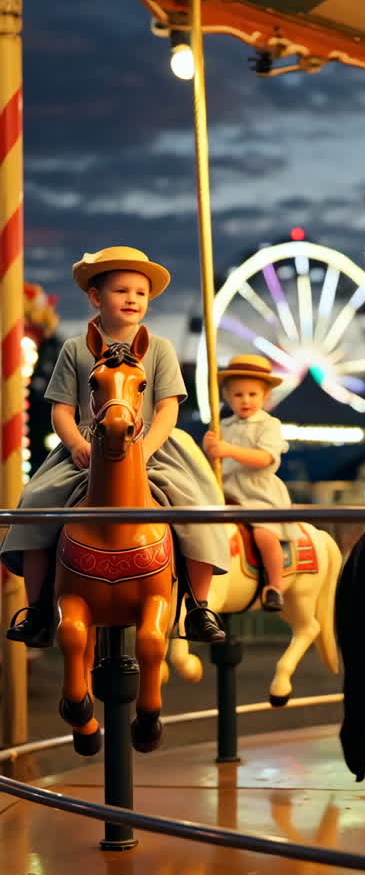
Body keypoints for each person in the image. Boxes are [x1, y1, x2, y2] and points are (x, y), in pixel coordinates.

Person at [2, 246, 229, 647]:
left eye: (140, 293)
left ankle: (199, 604)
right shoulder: (76, 349)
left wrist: (144, 450)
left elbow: (167, 409)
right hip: (88, 447)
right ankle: (36, 606)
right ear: (95, 297)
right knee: (36, 500)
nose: (132, 299)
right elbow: (62, 410)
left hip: (151, 446)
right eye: (121, 290)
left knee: (197, 501)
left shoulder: (159, 349)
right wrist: (75, 443)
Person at [203, 354, 298, 611]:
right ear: (226, 396)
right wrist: (210, 450)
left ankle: (275, 586)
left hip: (258, 495)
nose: (245, 400)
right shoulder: (222, 425)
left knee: (263, 534)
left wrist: (227, 450)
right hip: (226, 495)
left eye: (252, 394)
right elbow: (213, 463)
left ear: (266, 396)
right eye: (238, 394)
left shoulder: (269, 425)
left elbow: (265, 458)